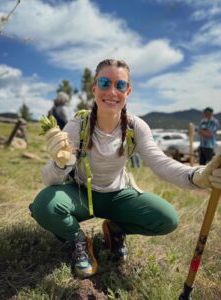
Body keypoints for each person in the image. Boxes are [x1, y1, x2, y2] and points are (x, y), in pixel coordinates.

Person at [29, 59, 221, 279]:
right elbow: (49, 180)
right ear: (94, 89)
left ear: (128, 91)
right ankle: (78, 241)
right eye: (104, 83)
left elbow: (160, 163)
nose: (112, 91)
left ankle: (115, 230)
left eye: (120, 85)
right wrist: (60, 163)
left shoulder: (135, 127)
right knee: (44, 205)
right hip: (81, 194)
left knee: (167, 219)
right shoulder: (78, 125)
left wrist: (196, 175)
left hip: (118, 196)